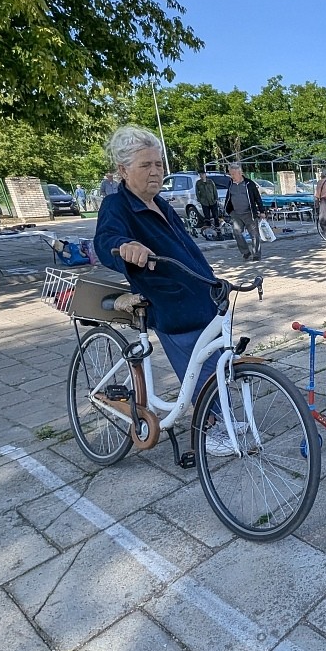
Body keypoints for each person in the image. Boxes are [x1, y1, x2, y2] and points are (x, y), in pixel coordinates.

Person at [93, 125, 235, 455]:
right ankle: (208, 425)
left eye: (158, 164)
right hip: (170, 300)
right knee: (196, 365)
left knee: (216, 359)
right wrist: (124, 245)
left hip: (200, 289)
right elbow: (105, 241)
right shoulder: (117, 206)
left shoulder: (161, 204)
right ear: (123, 170)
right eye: (146, 165)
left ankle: (219, 413)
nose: (155, 171)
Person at [223, 162, 264, 261]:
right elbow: (228, 197)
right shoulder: (230, 183)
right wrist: (227, 210)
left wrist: (262, 211)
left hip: (249, 213)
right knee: (237, 233)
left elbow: (257, 198)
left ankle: (256, 254)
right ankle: (245, 252)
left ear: (240, 173)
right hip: (236, 214)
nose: (232, 176)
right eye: (230, 174)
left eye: (233, 174)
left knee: (254, 235)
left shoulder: (249, 184)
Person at [195, 169, 220, 237]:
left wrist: (216, 198)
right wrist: (200, 200)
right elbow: (197, 192)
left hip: (212, 200)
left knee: (215, 215)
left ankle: (218, 228)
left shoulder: (210, 182)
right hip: (204, 202)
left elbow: (214, 190)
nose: (202, 176)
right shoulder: (198, 183)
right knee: (207, 216)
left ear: (205, 174)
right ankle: (208, 229)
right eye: (200, 175)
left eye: (203, 174)